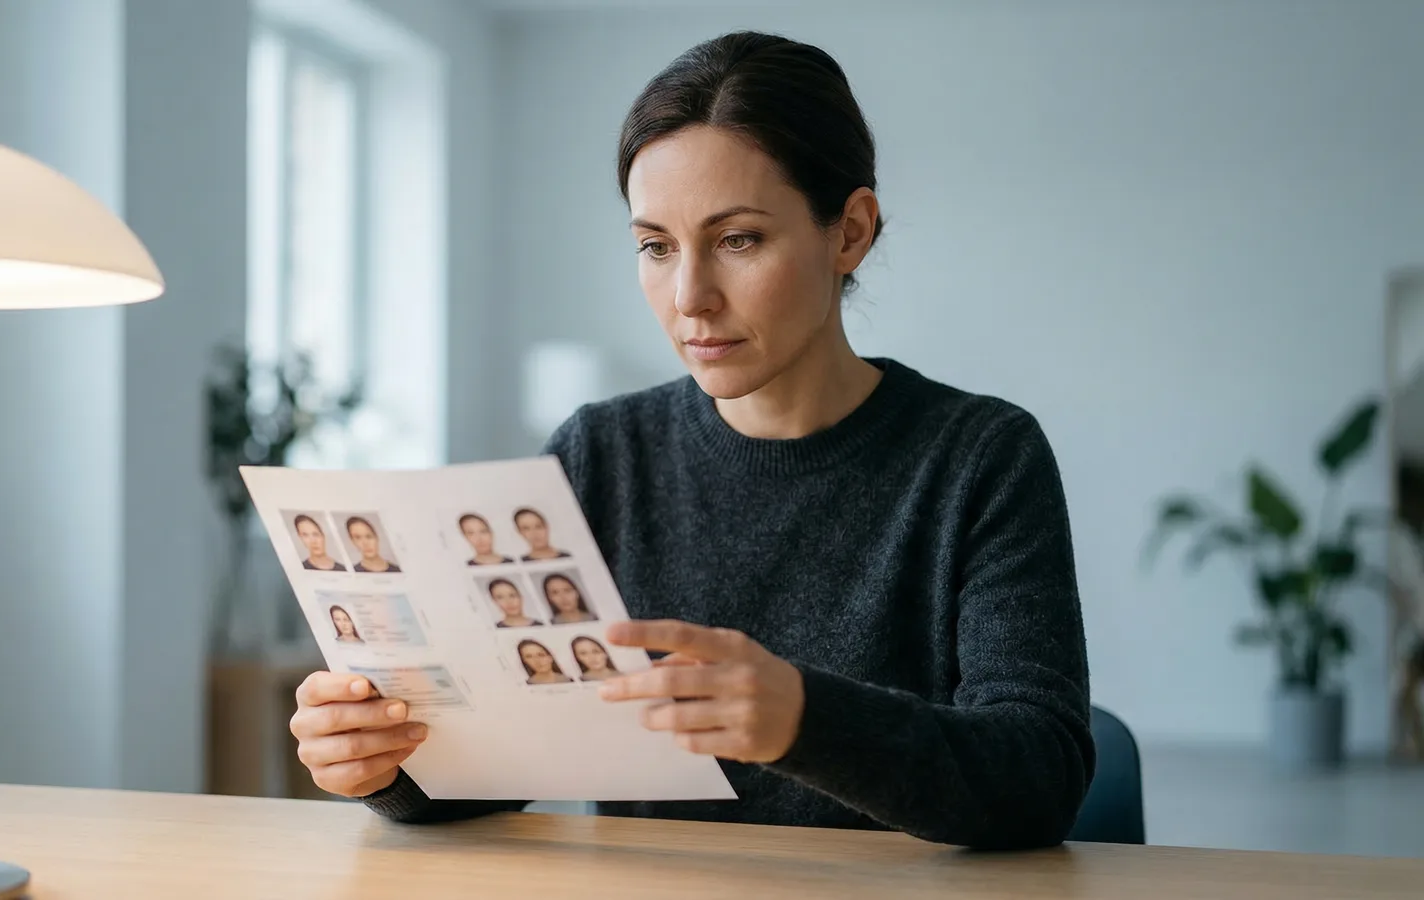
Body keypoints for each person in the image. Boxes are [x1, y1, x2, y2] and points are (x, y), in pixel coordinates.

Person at [288, 31, 1093, 851]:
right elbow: (515, 756)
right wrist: (387, 761)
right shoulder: (601, 453)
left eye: (738, 239)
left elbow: (1040, 777)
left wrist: (803, 721)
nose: (689, 296)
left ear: (849, 231)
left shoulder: (981, 458)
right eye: (655, 246)